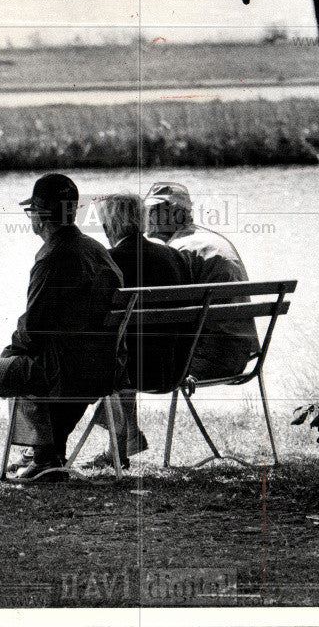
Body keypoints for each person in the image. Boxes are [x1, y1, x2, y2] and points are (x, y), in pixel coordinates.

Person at [0, 173, 123, 488]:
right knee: (16, 365)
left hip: (59, 371)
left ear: (42, 216)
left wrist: (13, 350)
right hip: (103, 370)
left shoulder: (52, 257)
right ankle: (46, 457)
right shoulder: (98, 251)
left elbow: (34, 327)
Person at [83, 193, 191, 467]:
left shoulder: (108, 261)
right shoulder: (173, 257)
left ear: (110, 226)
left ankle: (120, 445)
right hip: (172, 370)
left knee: (114, 352)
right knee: (129, 347)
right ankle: (120, 448)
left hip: (128, 371)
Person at [145, 181, 261, 380]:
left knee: (125, 362)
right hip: (239, 355)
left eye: (155, 210)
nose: (147, 218)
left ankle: (118, 413)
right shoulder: (213, 239)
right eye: (147, 211)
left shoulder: (178, 249)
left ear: (176, 214)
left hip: (203, 358)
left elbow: (167, 313)